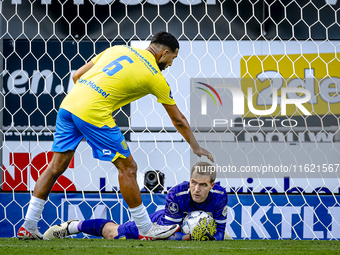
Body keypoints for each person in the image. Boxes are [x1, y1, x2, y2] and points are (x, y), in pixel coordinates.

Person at [17, 31, 213, 241]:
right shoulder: (155, 77)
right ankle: (146, 229)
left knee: (55, 167)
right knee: (128, 168)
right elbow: (179, 120)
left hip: (68, 106)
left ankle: (28, 226)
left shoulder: (117, 49)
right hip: (93, 111)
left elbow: (76, 76)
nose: (170, 64)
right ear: (164, 53)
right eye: (172, 59)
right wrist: (196, 147)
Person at [43, 162, 228, 241]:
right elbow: (168, 233)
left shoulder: (220, 196)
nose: (196, 189)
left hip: (184, 230)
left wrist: (209, 236)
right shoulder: (177, 195)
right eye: (193, 183)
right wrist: (189, 237)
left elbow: (220, 231)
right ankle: (72, 226)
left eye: (202, 185)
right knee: (113, 234)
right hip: (160, 225)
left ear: (212, 185)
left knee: (224, 239)